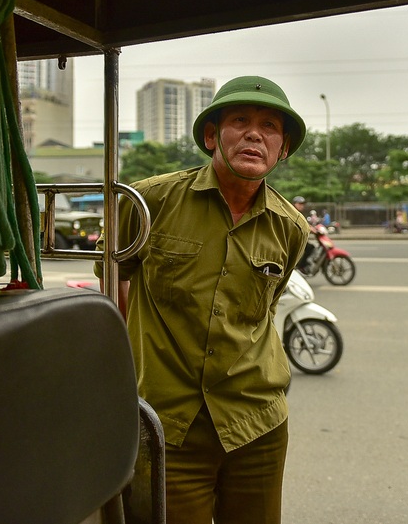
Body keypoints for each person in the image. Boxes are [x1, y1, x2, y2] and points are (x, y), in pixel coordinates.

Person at [106, 75, 308, 524]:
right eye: (240, 120)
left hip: (257, 423)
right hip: (166, 428)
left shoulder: (291, 227)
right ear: (213, 136)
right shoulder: (149, 201)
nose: (255, 133)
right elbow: (113, 279)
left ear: (283, 148)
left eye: (270, 126)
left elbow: (264, 312)